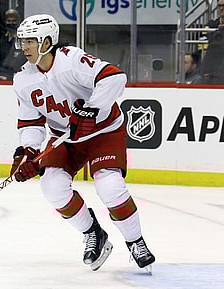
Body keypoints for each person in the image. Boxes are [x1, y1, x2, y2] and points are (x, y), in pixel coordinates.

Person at [10, 14, 155, 272]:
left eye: (30, 41)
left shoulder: (71, 59)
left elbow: (114, 77)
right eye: (22, 41)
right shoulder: (23, 78)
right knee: (52, 188)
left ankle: (136, 241)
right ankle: (94, 233)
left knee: (110, 187)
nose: (24, 47)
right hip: (64, 138)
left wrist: (91, 110)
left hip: (104, 132)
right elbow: (30, 123)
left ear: (46, 42)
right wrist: (28, 152)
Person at [0, 8, 26, 80]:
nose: (11, 23)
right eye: (9, 21)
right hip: (1, 75)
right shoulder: (0, 41)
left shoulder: (24, 41)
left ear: (19, 22)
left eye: (14, 21)